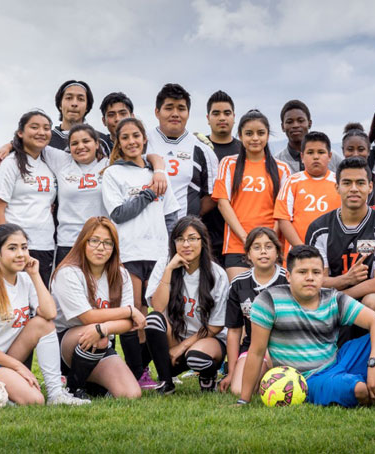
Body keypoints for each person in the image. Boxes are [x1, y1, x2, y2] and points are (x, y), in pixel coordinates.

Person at [236, 245, 375, 407]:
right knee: (359, 390)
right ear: (288, 276)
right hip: (310, 378)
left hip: (339, 359)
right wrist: (244, 400)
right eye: (302, 272)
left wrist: (374, 363)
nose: (310, 278)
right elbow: (257, 352)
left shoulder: (332, 297)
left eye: (316, 273)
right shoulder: (269, 301)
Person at [0, 223, 90, 405]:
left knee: (43, 324)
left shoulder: (25, 279)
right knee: (35, 400)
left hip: (2, 355)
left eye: (24, 247)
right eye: (12, 248)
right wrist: (18, 368)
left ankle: (56, 394)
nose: (21, 254)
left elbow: (49, 313)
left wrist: (35, 275)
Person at [101, 117, 180, 388]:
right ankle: (136, 374)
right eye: (125, 138)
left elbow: (171, 215)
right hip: (130, 253)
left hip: (158, 252)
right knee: (133, 314)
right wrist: (148, 193)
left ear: (144, 138)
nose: (132, 141)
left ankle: (156, 371)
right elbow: (119, 214)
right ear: (119, 144)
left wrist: (171, 248)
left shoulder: (157, 172)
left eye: (136, 135)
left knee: (157, 315)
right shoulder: (113, 174)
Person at [50, 217, 144, 399]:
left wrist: (105, 328)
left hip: (100, 339)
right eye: (94, 241)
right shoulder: (68, 272)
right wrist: (129, 310)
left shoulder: (121, 274)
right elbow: (87, 317)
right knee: (98, 337)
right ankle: (73, 388)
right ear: (83, 242)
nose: (101, 248)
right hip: (66, 344)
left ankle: (91, 384)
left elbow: (128, 323)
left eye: (108, 243)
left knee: (131, 394)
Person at [305, 157, 375, 324]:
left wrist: (342, 297)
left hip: (363, 300)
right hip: (327, 302)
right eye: (347, 183)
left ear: (370, 187)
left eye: (360, 183)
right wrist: (346, 279)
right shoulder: (319, 229)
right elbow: (317, 281)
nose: (354, 189)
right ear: (337, 187)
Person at [144, 216, 230, 394]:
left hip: (207, 339)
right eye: (180, 239)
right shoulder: (164, 264)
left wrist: (183, 347)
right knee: (153, 319)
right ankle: (166, 382)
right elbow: (158, 308)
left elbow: (215, 325)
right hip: (175, 335)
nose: (186, 244)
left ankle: (208, 375)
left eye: (192, 238)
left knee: (197, 358)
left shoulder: (217, 274)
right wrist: (169, 270)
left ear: (203, 241)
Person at [212, 110, 292, 280]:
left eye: (260, 133)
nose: (255, 138)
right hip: (237, 245)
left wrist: (268, 241)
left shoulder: (282, 168)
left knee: (271, 301)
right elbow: (223, 203)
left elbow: (283, 210)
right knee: (243, 301)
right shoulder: (229, 163)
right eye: (249, 133)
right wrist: (246, 239)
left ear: (268, 135)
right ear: (240, 135)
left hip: (272, 246)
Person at [0, 110, 62, 286]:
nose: (41, 132)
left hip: (45, 245)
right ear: (20, 132)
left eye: (46, 128)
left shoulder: (49, 163)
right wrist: (5, 246)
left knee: (40, 301)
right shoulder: (10, 163)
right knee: (15, 302)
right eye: (34, 127)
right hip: (17, 247)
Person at [219, 227, 288, 396]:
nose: (263, 252)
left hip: (286, 346)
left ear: (278, 252)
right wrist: (232, 372)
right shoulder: (239, 284)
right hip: (253, 347)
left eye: (268, 246)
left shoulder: (288, 280)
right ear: (248, 254)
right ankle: (260, 375)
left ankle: (269, 374)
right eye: (256, 247)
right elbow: (234, 332)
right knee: (238, 389)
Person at [146, 83, 219, 218]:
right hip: (147, 229)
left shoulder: (202, 149)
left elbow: (214, 194)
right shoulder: (143, 142)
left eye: (181, 108)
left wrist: (191, 215)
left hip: (183, 233)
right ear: (157, 112)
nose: (175, 114)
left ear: (188, 113)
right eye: (169, 108)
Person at [51, 124, 109, 267]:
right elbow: (30, 141)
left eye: (86, 141)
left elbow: (145, 157)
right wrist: (7, 147)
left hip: (99, 244)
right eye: (74, 143)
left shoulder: (110, 164)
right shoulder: (62, 162)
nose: (80, 146)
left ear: (96, 143)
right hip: (68, 243)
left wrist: (158, 169)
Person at [275, 131, 340, 255]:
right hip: (298, 254)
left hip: (333, 253)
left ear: (330, 156)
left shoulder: (340, 183)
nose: (316, 157)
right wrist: (301, 248)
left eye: (321, 152)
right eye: (310, 153)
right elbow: (283, 219)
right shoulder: (292, 182)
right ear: (302, 157)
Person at [202, 90, 241, 258]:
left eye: (227, 113)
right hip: (206, 233)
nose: (222, 118)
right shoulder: (198, 148)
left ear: (234, 116)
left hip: (237, 232)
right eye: (216, 113)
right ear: (208, 118)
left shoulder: (245, 150)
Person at [273, 100, 341, 173]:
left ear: (309, 123)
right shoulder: (276, 163)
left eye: (300, 121)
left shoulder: (332, 158)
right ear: (283, 127)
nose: (295, 125)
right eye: (289, 122)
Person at [50, 80, 112, 154]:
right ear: (60, 104)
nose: (74, 103)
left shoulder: (102, 141)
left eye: (80, 99)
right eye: (69, 98)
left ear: (87, 107)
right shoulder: (45, 140)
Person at [340, 123, 375, 209]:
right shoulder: (334, 181)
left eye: (361, 149)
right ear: (343, 151)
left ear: (369, 151)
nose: (355, 154)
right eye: (350, 149)